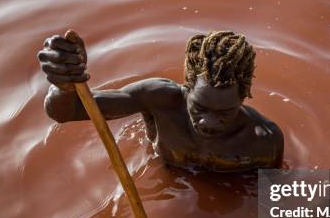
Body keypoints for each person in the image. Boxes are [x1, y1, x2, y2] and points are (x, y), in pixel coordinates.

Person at [38, 30, 284, 171]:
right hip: (168, 188)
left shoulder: (265, 140)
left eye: (224, 113)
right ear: (186, 88)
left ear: (243, 98)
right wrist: (64, 86)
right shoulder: (158, 99)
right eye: (198, 108)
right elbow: (66, 112)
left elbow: (273, 202)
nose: (208, 122)